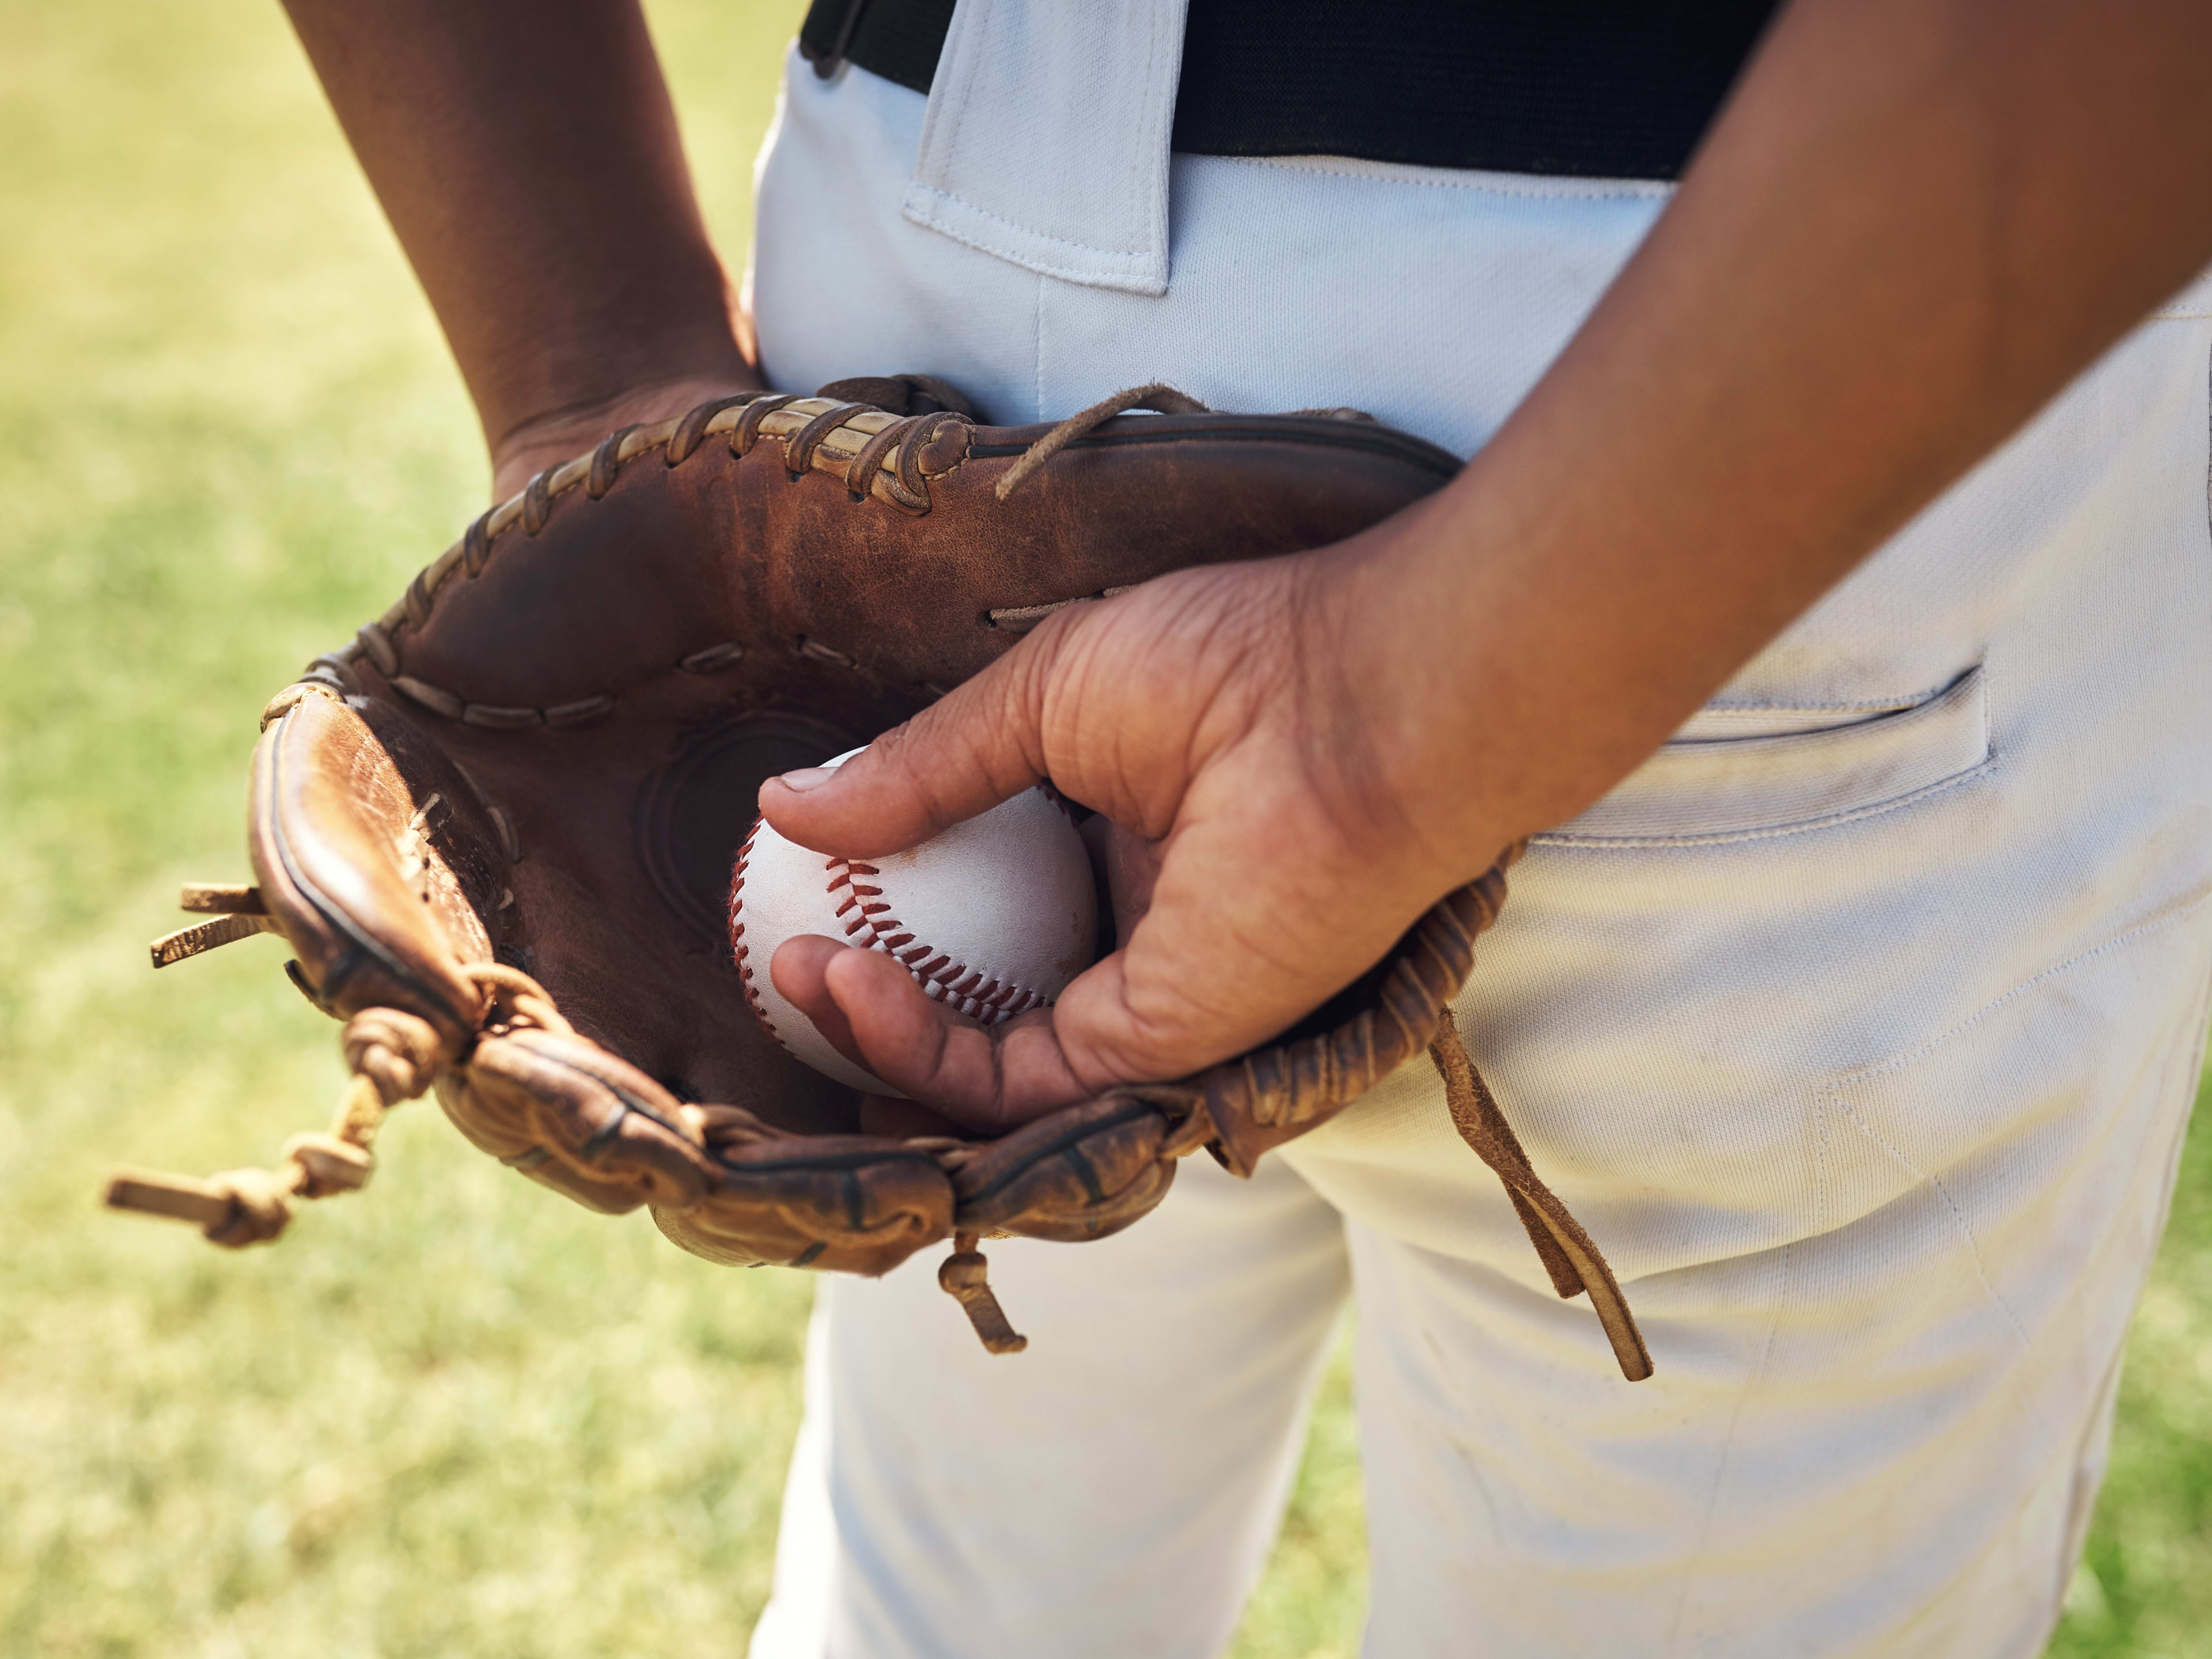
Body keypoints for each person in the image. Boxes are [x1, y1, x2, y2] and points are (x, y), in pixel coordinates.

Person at [276, 1, 2212, 1653]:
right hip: (1714, 401)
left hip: (935, 317)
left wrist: (587, 360)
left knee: (940, 1613)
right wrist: (1380, 739)